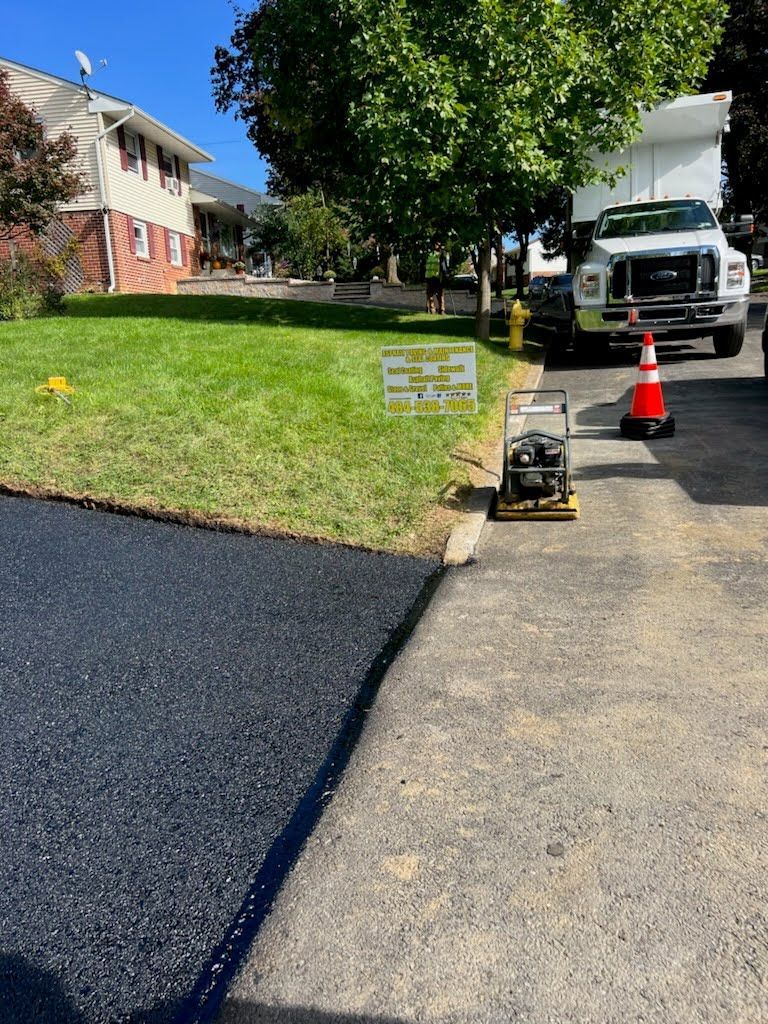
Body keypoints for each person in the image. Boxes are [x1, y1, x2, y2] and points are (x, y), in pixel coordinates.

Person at [425, 243, 446, 314]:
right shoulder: (430, 254)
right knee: (430, 295)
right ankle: (432, 309)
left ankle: (441, 310)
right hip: (430, 277)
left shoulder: (441, 255)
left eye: (437, 244)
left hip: (437, 277)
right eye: (435, 244)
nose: (435, 245)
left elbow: (443, 266)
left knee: (439, 295)